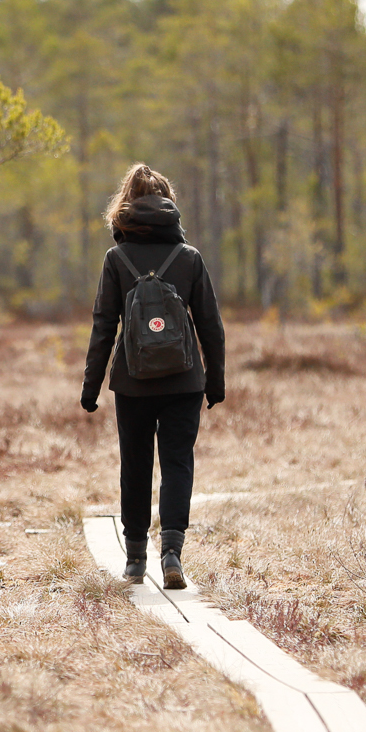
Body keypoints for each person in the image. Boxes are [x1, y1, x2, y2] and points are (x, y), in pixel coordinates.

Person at [79, 165, 226, 587]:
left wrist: (91, 388)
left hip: (133, 381)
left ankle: (135, 559)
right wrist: (214, 381)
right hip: (184, 380)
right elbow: (211, 326)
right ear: (169, 204)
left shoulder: (116, 258)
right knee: (178, 462)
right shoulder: (190, 258)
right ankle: (173, 555)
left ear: (124, 206)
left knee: (136, 463)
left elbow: (104, 326)